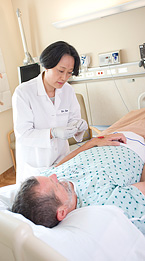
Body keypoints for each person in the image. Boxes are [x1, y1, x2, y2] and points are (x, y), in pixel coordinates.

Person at [11, 131, 145, 235]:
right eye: (56, 184)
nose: (55, 176)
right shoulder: (106, 204)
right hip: (137, 143)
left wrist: (92, 143)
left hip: (105, 139)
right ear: (62, 212)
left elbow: (57, 167)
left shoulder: (45, 184)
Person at [12, 41, 88, 184]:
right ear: (46, 65)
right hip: (36, 164)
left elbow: (73, 118)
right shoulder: (24, 92)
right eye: (61, 71)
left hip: (62, 160)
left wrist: (78, 125)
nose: (64, 78)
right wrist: (52, 133)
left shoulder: (68, 90)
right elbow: (23, 134)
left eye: (69, 73)